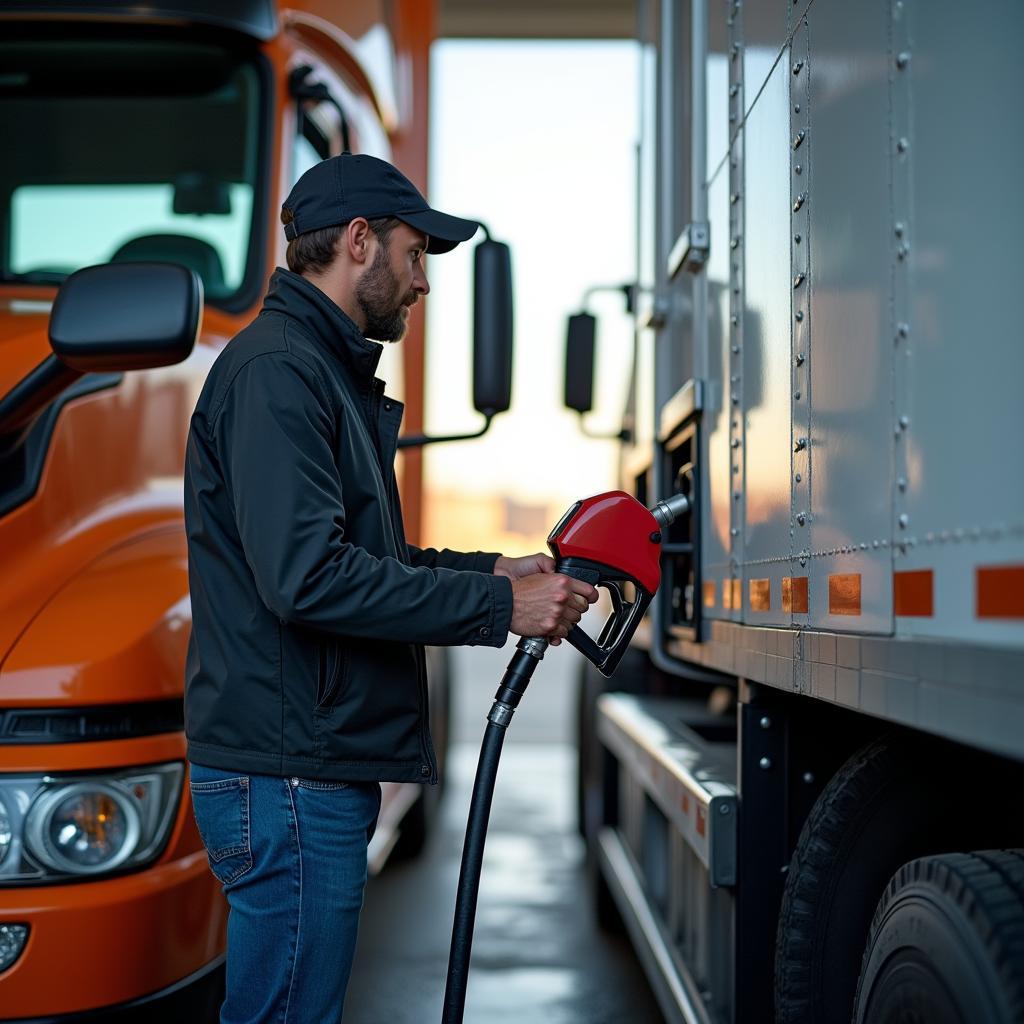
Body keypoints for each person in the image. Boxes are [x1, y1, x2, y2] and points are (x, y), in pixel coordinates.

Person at [183, 152, 598, 1023]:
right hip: (290, 774)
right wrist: (501, 610)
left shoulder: (316, 370)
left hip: (299, 766)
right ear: (360, 242)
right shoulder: (280, 373)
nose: (424, 283)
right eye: (416, 257)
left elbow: (368, 555)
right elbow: (309, 579)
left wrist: (495, 572)